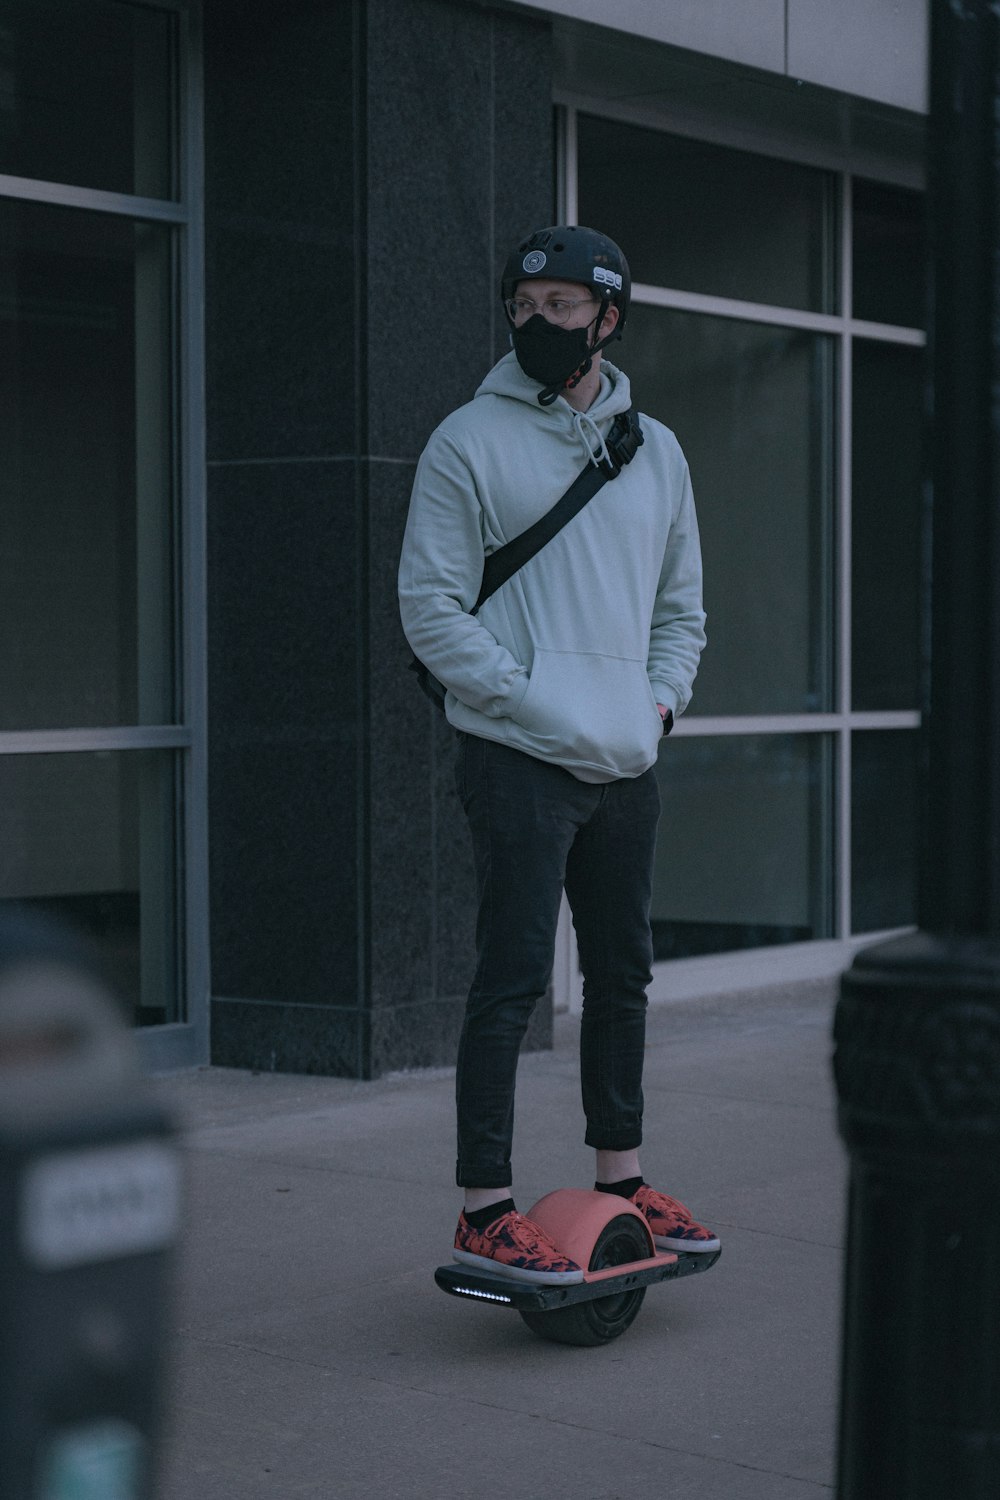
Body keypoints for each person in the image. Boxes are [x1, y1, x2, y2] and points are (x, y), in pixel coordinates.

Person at [398, 224, 717, 1286]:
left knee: (622, 975)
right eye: (524, 306)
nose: (539, 322)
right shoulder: (467, 442)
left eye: (562, 308)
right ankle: (484, 1205)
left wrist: (654, 707)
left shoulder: (656, 451)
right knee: (510, 980)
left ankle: (620, 1177)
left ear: (608, 319)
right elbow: (431, 611)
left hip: (627, 758)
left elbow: (682, 612)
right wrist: (530, 703)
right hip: (518, 757)